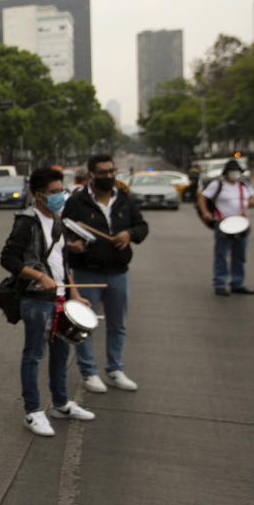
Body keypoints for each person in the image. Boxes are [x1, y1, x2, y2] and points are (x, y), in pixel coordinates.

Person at [1, 167, 96, 436]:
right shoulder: (26, 222)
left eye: (61, 191)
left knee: (61, 351)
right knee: (33, 354)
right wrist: (38, 277)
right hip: (36, 300)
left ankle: (60, 403)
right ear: (38, 195)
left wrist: (75, 295)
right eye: (53, 193)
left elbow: (63, 264)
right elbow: (8, 259)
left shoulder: (57, 219)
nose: (59, 196)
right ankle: (32, 411)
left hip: (60, 297)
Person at [63, 154, 148, 393]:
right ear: (91, 175)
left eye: (111, 171)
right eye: (103, 172)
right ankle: (89, 372)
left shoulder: (125, 200)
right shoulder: (78, 202)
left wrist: (129, 234)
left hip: (119, 273)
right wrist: (73, 245)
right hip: (86, 273)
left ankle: (115, 369)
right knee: (84, 325)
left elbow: (142, 226)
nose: (109, 176)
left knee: (118, 324)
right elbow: (63, 231)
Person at [197, 159, 254, 295]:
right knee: (221, 254)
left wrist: (252, 202)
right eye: (232, 172)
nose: (235, 174)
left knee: (240, 256)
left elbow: (253, 199)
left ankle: (237, 283)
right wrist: (206, 212)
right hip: (223, 223)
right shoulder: (217, 184)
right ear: (226, 173)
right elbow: (203, 198)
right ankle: (220, 283)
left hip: (241, 224)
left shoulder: (244, 185)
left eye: (237, 172)